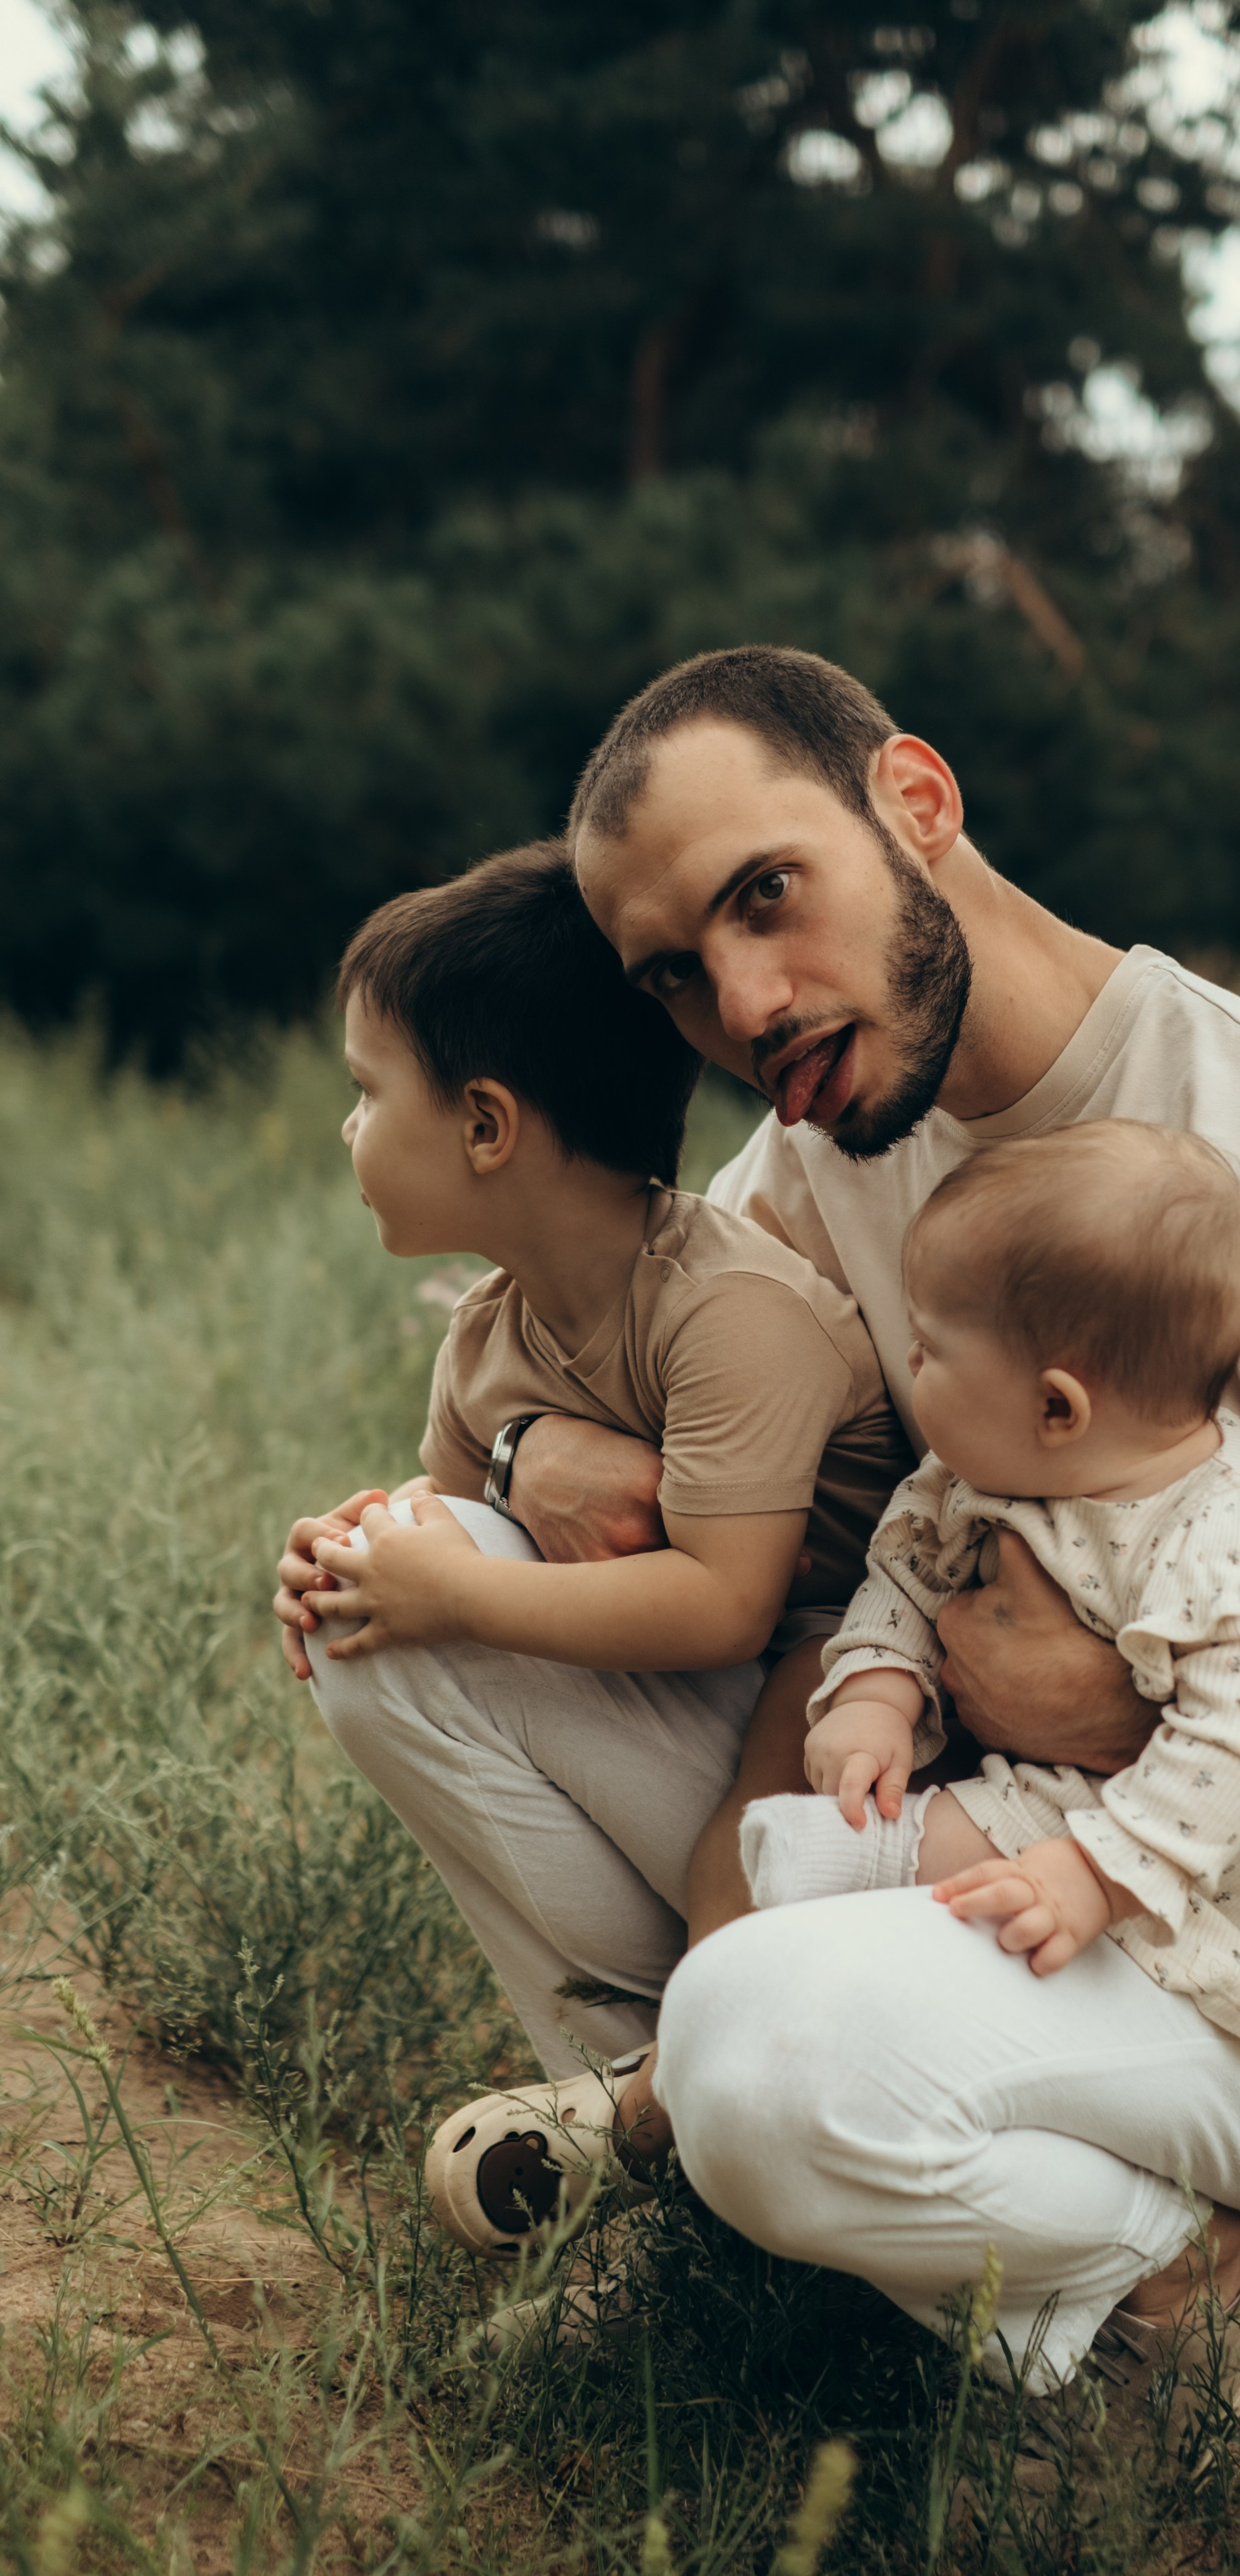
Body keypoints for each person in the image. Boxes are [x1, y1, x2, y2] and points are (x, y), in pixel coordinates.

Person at [527, 641, 1240, 2395]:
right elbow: (590, 1357)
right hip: (964, 1825)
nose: (744, 1007)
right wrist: (534, 1447)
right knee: (427, 1602)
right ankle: (770, 2202)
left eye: (769, 896)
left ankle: (1182, 2280)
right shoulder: (827, 1143)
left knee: (756, 2041)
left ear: (915, 803)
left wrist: (1130, 1709)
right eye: (674, 974)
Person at [273, 839, 913, 2242]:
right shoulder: (485, 1337)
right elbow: (460, 1523)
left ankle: (690, 2101)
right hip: (700, 1708)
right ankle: (637, 2137)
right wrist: (364, 1550)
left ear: (485, 1125)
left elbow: (727, 1604)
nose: (348, 1129)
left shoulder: (729, 1310)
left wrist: (448, 1590)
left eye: (367, 1091)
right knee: (381, 1590)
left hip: (849, 1719)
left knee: (731, 1842)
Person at [744, 1121, 1240, 2071]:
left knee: (918, 1861)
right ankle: (830, 1922)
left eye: (929, 1347)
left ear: (1058, 1406)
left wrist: (1105, 1869)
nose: (910, 1364)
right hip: (1056, 1800)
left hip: (1211, 1874)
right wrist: (877, 1690)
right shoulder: (988, 1473)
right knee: (923, 1850)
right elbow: (907, 1577)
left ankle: (838, 1895)